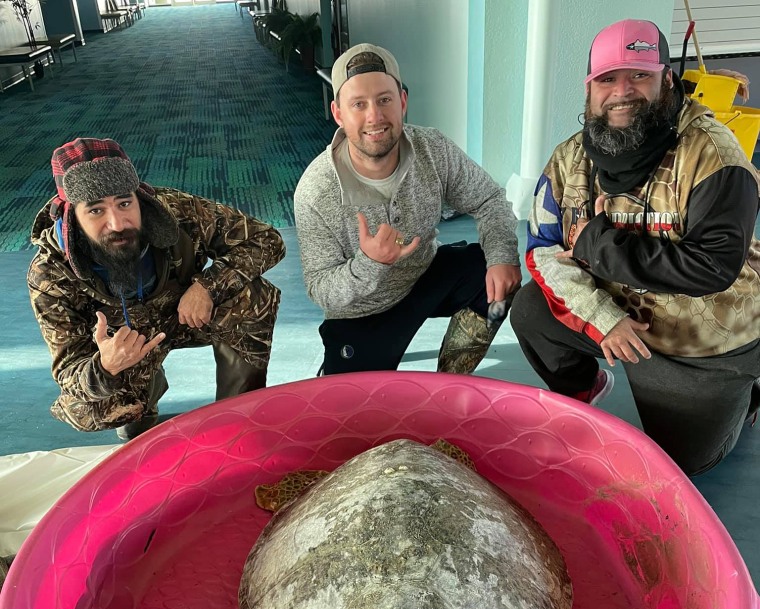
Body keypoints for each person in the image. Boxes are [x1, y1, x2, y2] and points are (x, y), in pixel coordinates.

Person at [509, 19, 760, 477]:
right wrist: (602, 318)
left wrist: (597, 245)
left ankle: (746, 391)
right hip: (621, 314)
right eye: (607, 78)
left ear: (666, 80)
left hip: (701, 339)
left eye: (638, 75)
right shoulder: (568, 161)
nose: (622, 91)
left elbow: (712, 268)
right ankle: (585, 391)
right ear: (589, 90)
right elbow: (542, 250)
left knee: (688, 462)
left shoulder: (716, 157)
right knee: (530, 312)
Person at [28, 138, 285, 440]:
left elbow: (267, 240)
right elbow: (70, 373)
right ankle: (139, 410)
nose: (117, 223)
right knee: (90, 408)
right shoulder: (50, 273)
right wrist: (106, 366)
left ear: (139, 198)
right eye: (96, 211)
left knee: (251, 296)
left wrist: (207, 286)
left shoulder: (177, 211)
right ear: (72, 217)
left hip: (182, 316)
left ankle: (237, 419)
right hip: (124, 347)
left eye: (125, 203)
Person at [294, 43, 521, 376]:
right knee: (357, 415)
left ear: (402, 102)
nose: (375, 116)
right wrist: (370, 263)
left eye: (385, 99)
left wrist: (502, 256)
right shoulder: (315, 190)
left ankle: (451, 382)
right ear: (339, 113)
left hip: (425, 274)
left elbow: (488, 198)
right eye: (359, 104)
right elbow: (321, 288)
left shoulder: (432, 146)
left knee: (495, 276)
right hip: (363, 311)